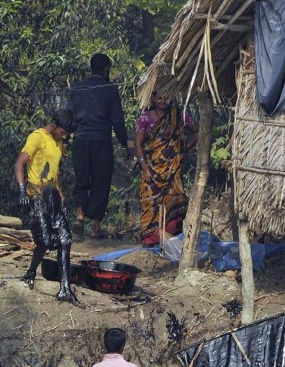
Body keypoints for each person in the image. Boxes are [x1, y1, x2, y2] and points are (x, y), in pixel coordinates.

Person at [14, 109, 77, 303]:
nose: (64, 136)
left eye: (67, 134)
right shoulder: (37, 137)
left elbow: (54, 169)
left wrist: (60, 191)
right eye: (63, 132)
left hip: (52, 196)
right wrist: (22, 190)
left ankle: (65, 288)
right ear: (55, 125)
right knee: (46, 241)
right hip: (37, 195)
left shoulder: (58, 142)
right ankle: (31, 272)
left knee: (66, 240)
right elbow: (19, 163)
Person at [68, 53, 129, 240]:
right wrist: (124, 143)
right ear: (106, 69)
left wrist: (64, 140)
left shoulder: (76, 88)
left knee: (82, 179)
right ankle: (95, 227)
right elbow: (117, 120)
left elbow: (68, 115)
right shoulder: (110, 89)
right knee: (101, 182)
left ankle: (79, 215)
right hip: (102, 140)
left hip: (80, 140)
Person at [134, 90, 198, 245]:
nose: (163, 100)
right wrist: (145, 168)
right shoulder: (145, 118)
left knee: (173, 203)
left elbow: (198, 130)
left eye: (166, 97)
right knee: (150, 204)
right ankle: (151, 240)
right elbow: (138, 144)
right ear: (153, 99)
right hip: (151, 170)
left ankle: (169, 241)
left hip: (173, 170)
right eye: (159, 97)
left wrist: (183, 150)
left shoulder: (179, 116)